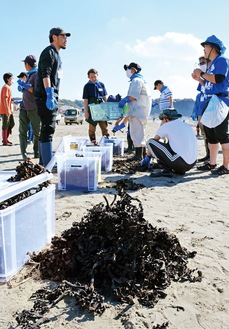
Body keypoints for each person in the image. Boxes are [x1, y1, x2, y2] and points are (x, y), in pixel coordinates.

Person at [192, 35, 229, 175]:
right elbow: (208, 84)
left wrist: (201, 73)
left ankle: (226, 166)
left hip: (220, 102)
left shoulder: (222, 60)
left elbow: (219, 79)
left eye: (205, 46)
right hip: (211, 101)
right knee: (210, 135)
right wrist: (199, 79)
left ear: (213, 48)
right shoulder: (212, 64)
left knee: (222, 135)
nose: (204, 49)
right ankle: (212, 163)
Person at [35, 27, 71, 167]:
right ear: (54, 37)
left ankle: (43, 162)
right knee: (48, 128)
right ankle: (47, 164)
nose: (66, 39)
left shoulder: (56, 54)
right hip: (45, 95)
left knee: (47, 128)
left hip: (51, 95)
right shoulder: (48, 52)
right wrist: (49, 93)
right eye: (63, 36)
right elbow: (45, 73)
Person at [141, 109, 198, 177]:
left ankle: (167, 170)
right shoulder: (186, 125)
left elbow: (153, 143)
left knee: (150, 142)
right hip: (192, 163)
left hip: (180, 163)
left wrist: (147, 158)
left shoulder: (166, 126)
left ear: (165, 119)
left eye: (162, 119)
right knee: (169, 144)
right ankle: (178, 170)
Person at [118, 62, 151, 161]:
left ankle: (138, 155)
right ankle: (142, 154)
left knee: (136, 133)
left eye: (128, 70)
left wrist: (124, 101)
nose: (127, 72)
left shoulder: (136, 80)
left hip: (138, 112)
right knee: (140, 134)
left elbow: (133, 96)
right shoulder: (140, 80)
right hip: (140, 112)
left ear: (132, 70)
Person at [17, 56, 40, 161]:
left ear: (27, 64)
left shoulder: (36, 75)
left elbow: (34, 90)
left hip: (34, 108)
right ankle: (24, 155)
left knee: (37, 132)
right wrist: (22, 88)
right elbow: (26, 90)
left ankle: (36, 152)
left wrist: (25, 85)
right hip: (24, 107)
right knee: (22, 132)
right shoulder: (28, 75)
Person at [191, 56, 211, 162]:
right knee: (204, 134)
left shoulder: (212, 76)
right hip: (202, 109)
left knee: (211, 133)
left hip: (209, 108)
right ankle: (208, 155)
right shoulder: (203, 80)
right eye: (200, 63)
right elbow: (202, 92)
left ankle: (211, 156)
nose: (201, 64)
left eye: (203, 62)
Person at [83, 68, 109, 143]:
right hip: (92, 108)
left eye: (95, 76)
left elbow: (104, 97)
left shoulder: (101, 84)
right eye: (91, 77)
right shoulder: (87, 86)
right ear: (88, 77)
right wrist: (86, 111)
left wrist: (107, 106)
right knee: (92, 127)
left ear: (97, 75)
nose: (93, 78)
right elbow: (85, 99)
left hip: (101, 107)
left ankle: (106, 141)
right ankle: (93, 142)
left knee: (104, 126)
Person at [0, 73, 15, 146]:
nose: (13, 80)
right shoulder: (6, 87)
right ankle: (5, 141)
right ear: (8, 79)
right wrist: (7, 110)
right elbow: (5, 99)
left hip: (8, 110)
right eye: (12, 79)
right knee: (5, 125)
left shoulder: (8, 87)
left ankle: (5, 139)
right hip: (5, 110)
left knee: (11, 123)